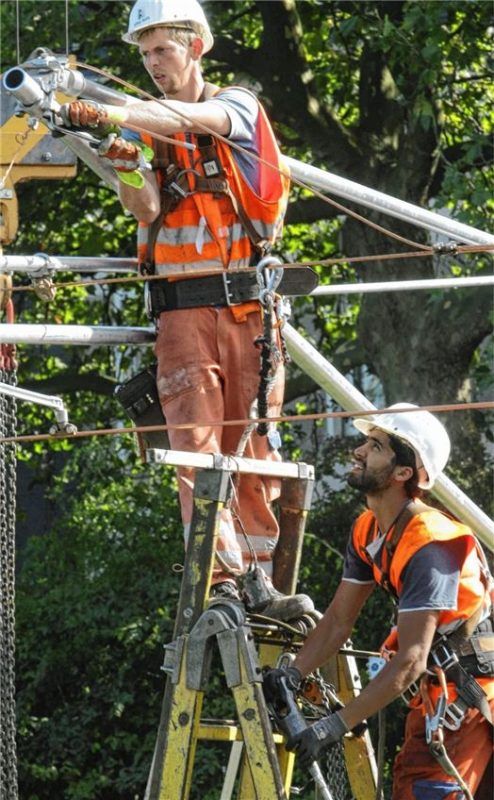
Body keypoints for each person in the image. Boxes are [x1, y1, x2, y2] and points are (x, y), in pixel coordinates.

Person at [58, 0, 314, 621]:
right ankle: (221, 583)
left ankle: (258, 581)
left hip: (249, 314)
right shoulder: (146, 127)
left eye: (162, 51)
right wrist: (121, 157)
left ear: (195, 47)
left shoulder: (238, 107)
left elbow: (194, 118)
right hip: (180, 315)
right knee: (197, 453)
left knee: (252, 447)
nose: (152, 65)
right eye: (144, 55)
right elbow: (146, 209)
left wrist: (105, 107)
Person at [263, 403, 494, 799]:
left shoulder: (431, 545)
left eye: (376, 446)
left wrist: (331, 727)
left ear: (404, 472)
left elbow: (410, 660)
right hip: (442, 697)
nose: (359, 451)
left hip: (467, 700)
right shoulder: (369, 530)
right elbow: (338, 620)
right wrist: (292, 674)